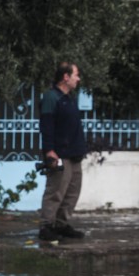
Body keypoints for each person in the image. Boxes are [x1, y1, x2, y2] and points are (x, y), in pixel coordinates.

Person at [38, 61, 88, 241]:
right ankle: (46, 226)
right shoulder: (51, 97)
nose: (78, 79)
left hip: (74, 154)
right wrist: (49, 150)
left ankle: (61, 224)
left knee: (72, 191)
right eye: (76, 75)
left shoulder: (69, 98)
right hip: (60, 154)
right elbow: (47, 125)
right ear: (65, 77)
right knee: (55, 192)